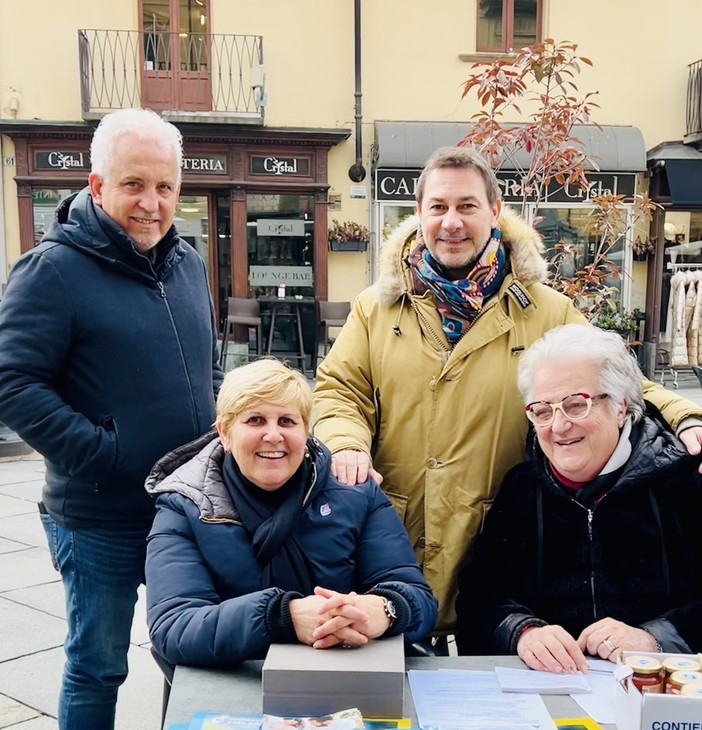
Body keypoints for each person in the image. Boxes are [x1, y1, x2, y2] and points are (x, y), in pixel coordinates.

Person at [313, 146, 702, 635]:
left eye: (467, 206)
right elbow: (338, 389)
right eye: (438, 207)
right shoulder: (377, 308)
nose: (451, 222)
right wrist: (346, 439)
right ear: (419, 214)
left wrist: (687, 418)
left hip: (500, 539)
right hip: (396, 539)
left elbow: (621, 381)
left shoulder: (546, 310)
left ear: (494, 212)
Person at [0, 108, 223, 728]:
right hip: (100, 517)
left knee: (195, 656)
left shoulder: (187, 261)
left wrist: (212, 426)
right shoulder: (52, 270)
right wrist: (104, 452)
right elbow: (12, 382)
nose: (152, 203)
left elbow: (204, 361)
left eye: (165, 187)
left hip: (184, 508)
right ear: (97, 186)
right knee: (98, 666)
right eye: (134, 184)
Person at [145, 358, 437, 668]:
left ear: (307, 431)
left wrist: (383, 609)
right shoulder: (185, 504)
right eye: (255, 420)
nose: (273, 435)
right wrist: (282, 617)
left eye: (287, 421)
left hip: (349, 674)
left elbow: (418, 598)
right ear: (225, 433)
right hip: (237, 679)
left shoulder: (356, 492)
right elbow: (175, 626)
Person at [455, 324, 702, 672]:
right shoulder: (522, 489)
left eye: (576, 405)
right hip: (548, 698)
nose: (558, 426)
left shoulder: (684, 480)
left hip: (662, 693)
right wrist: (522, 632)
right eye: (542, 411)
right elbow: (479, 599)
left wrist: (655, 639)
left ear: (620, 407)